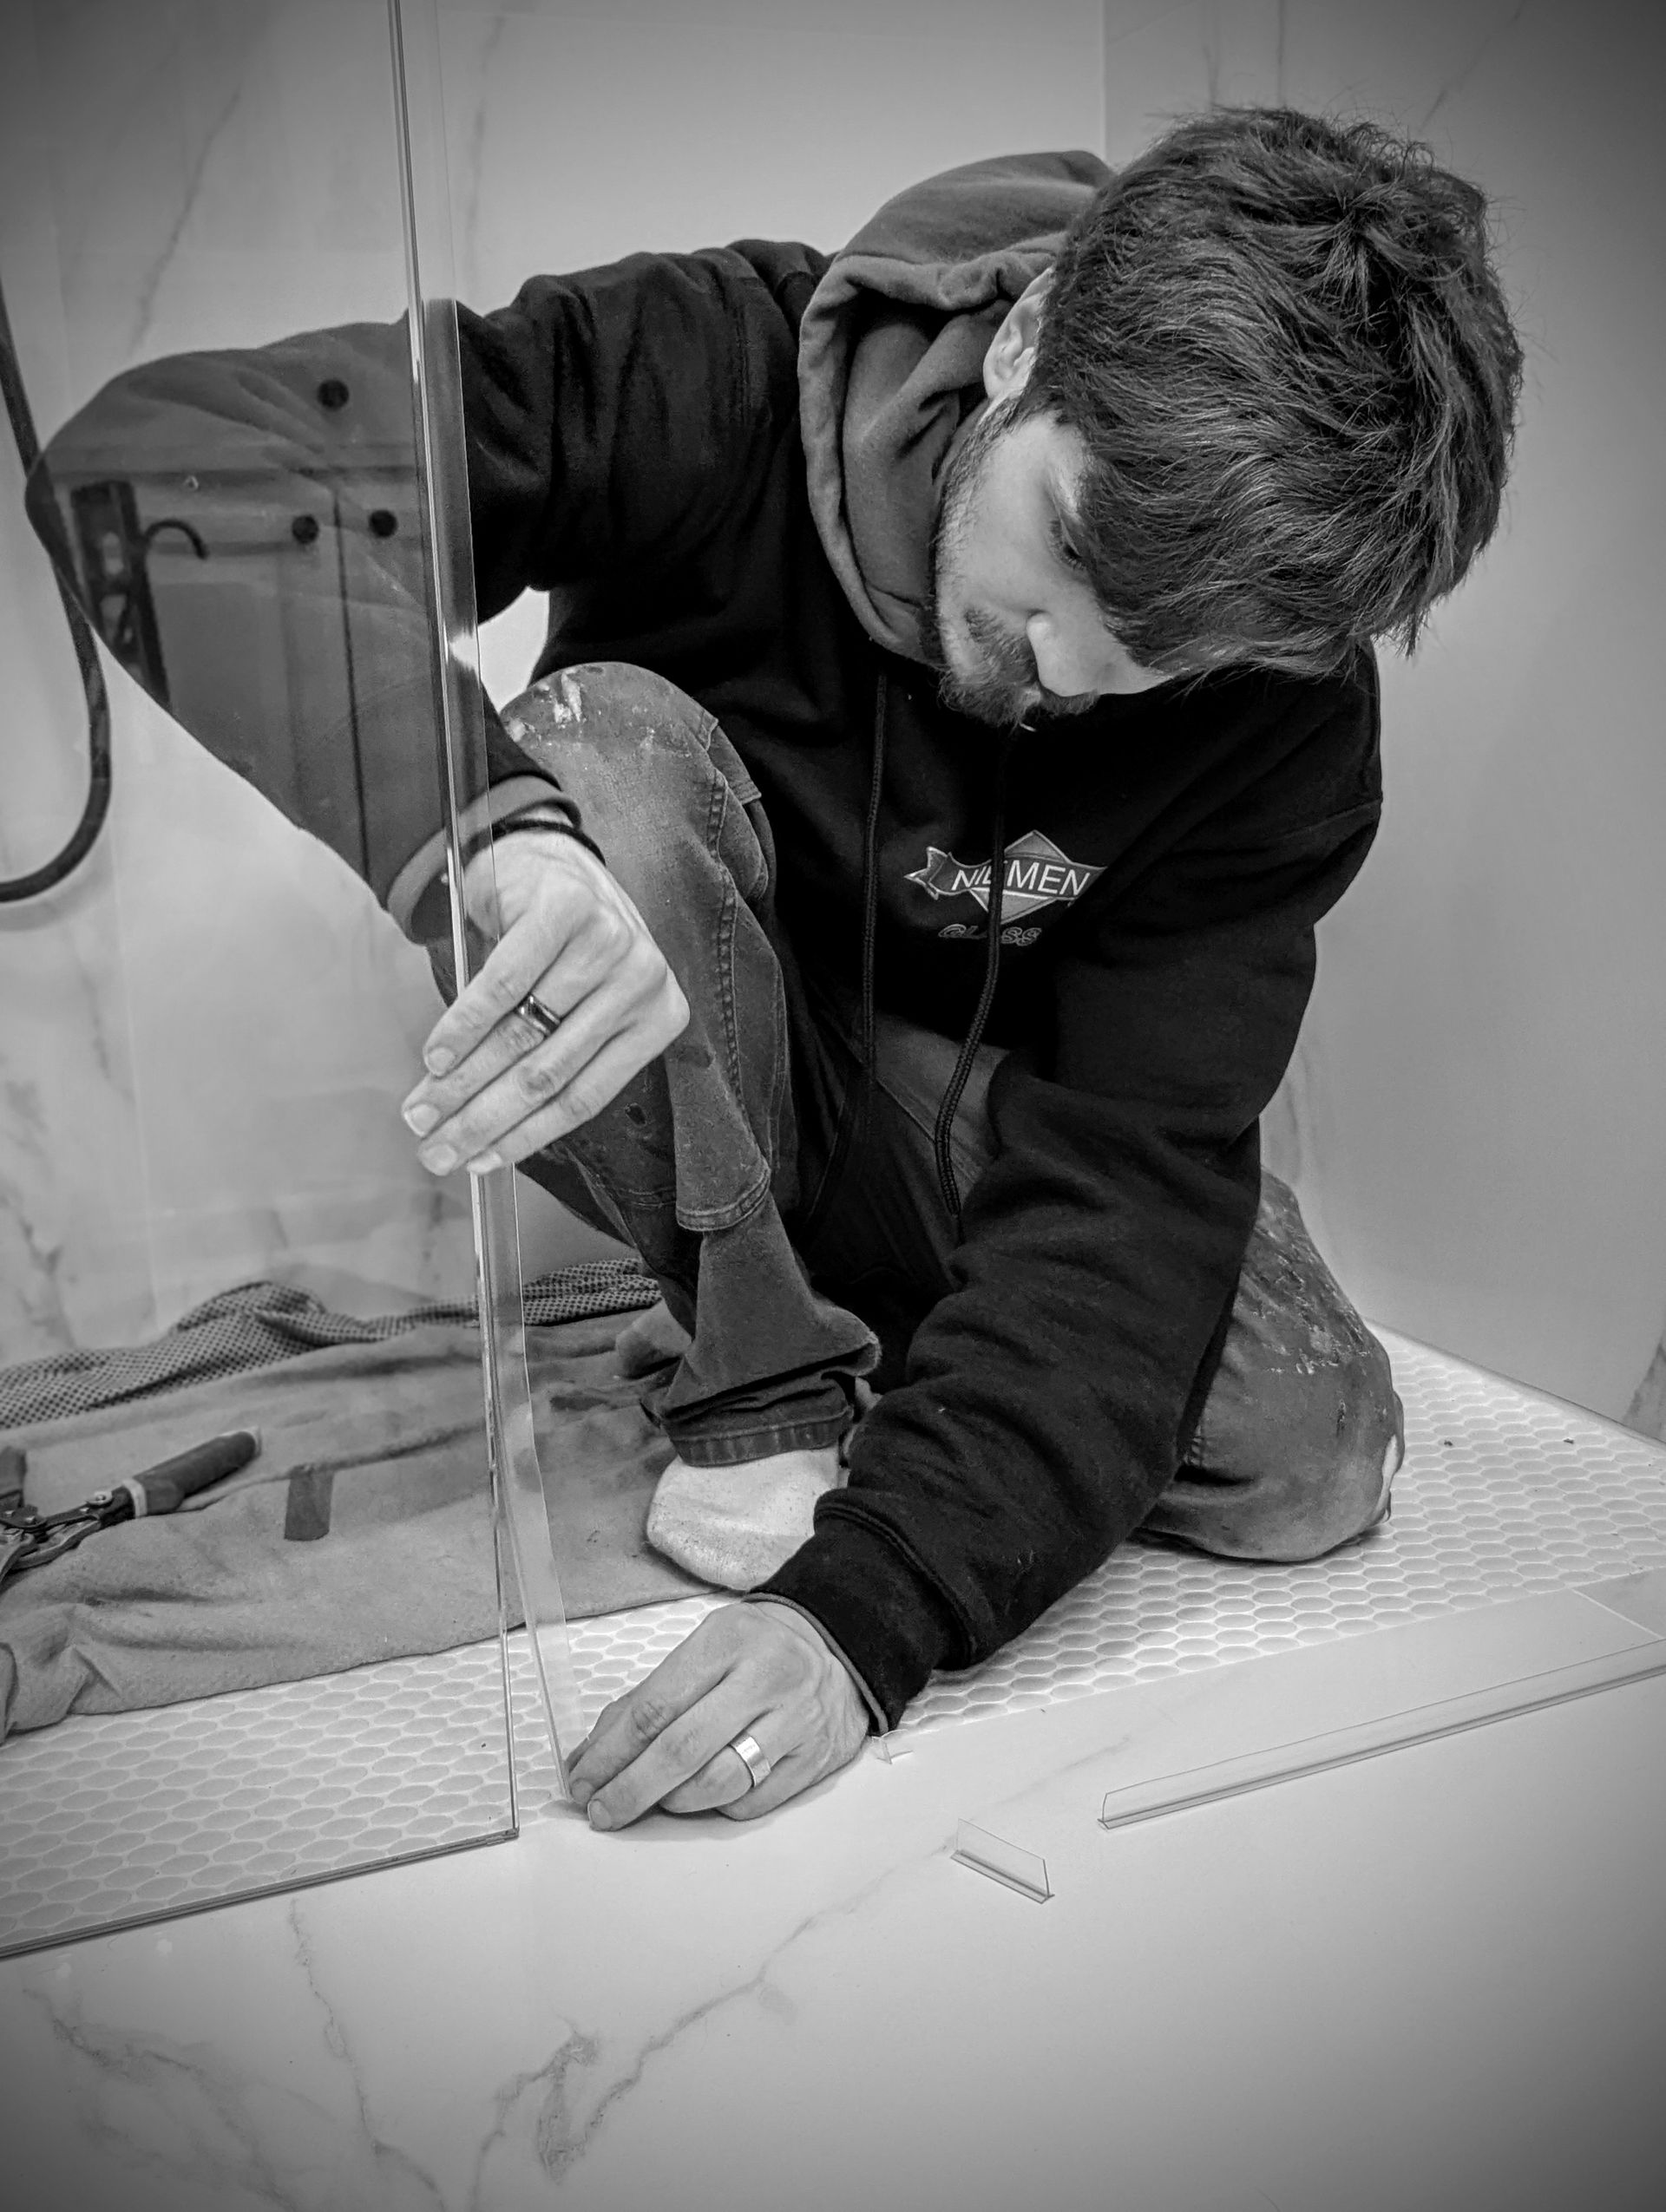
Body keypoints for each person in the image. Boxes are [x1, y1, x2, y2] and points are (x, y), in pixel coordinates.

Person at [30, 107, 1523, 1831]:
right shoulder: (709, 367)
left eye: (1170, 652)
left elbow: (1135, 1170)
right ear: (1025, 336)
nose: (1075, 666)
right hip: (679, 1029)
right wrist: (485, 834)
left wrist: (866, 1618)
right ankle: (758, 1357)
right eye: (1077, 550)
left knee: (1306, 1463)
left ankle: (898, 1363)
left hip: (975, 1128)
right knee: (601, 768)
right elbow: (165, 467)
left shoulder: (1288, 724)